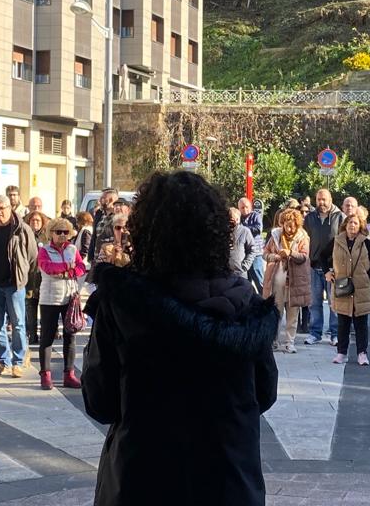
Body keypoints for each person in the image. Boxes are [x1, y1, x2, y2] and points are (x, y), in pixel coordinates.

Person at [82, 170, 278, 506]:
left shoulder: (123, 303)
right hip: (228, 480)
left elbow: (100, 400)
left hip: (141, 478)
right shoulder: (246, 304)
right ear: (218, 234)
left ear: (145, 232)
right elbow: (265, 392)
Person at [0, 194, 38, 377]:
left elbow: (32, 256)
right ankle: (3, 361)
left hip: (14, 283)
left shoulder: (22, 229)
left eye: (1, 208)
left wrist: (26, 280)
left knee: (18, 323)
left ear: (10, 208)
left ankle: (18, 362)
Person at [37, 217, 87, 389]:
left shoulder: (73, 249)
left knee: (70, 336)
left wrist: (66, 272)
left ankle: (69, 374)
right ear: (51, 233)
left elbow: (81, 268)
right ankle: (45, 374)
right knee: (47, 337)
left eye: (66, 232)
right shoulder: (44, 250)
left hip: (69, 298)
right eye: (58, 232)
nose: (62, 235)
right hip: (49, 299)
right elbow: (47, 268)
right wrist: (69, 268)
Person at [323, 212, 370, 365]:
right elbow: (322, 256)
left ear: (360, 226)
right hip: (343, 286)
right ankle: (341, 353)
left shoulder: (365, 242)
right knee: (343, 323)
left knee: (361, 323)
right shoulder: (337, 241)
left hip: (361, 288)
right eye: (350, 223)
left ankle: (362, 353)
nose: (352, 225)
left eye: (355, 223)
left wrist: (367, 274)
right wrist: (327, 272)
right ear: (345, 225)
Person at [261, 206, 310, 354]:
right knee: (276, 311)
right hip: (276, 279)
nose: (289, 228)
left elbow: (304, 257)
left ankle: (290, 342)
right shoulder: (275, 236)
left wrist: (290, 253)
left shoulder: (303, 237)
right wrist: (273, 257)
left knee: (293, 312)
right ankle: (273, 341)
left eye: (292, 225)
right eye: (286, 224)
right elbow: (264, 253)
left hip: (294, 280)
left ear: (297, 224)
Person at [305, 188, 343, 346]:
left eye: (324, 199)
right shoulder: (310, 217)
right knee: (314, 302)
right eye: (319, 200)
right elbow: (304, 237)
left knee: (334, 302)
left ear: (331, 199)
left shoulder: (340, 216)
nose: (321, 203)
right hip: (314, 266)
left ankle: (335, 334)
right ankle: (315, 333)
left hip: (333, 267)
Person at [24, 209, 48, 345]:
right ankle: (32, 335)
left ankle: (46, 334)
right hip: (30, 276)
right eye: (33, 220)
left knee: (44, 307)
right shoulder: (25, 235)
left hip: (44, 277)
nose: (35, 223)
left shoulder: (47, 236)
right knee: (30, 306)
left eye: (38, 220)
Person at [238, 197, 265, 291]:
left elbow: (258, 229)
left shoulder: (255, 215)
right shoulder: (238, 217)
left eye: (246, 207)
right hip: (243, 254)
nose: (245, 209)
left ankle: (265, 302)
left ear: (250, 207)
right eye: (242, 208)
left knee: (259, 281)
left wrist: (243, 229)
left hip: (255, 253)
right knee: (245, 283)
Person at [228, 208, 257, 280]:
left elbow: (252, 250)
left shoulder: (245, 231)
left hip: (240, 273)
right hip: (224, 273)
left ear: (238, 219)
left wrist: (245, 266)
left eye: (232, 219)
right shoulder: (222, 231)